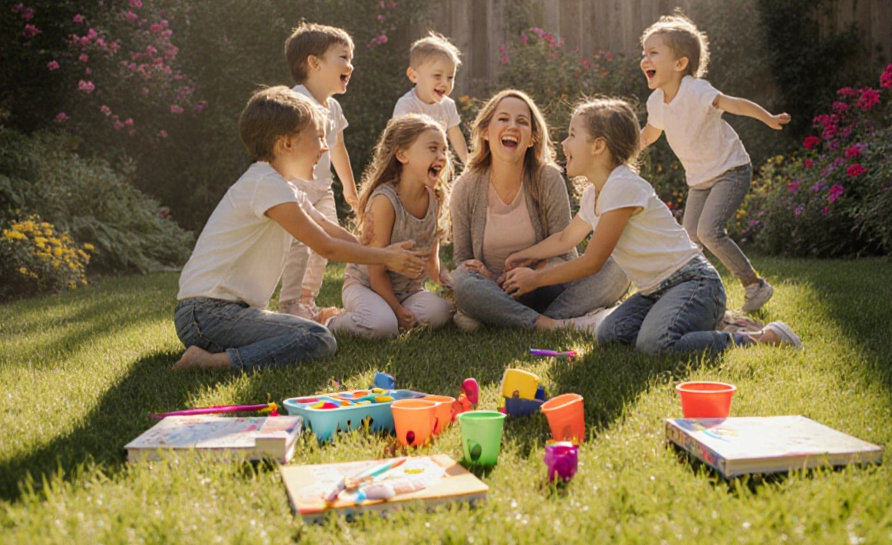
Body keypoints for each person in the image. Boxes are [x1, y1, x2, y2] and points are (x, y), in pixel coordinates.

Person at [501, 98, 802, 355]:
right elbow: (566, 238)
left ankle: (758, 338)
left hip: (694, 283)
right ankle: (698, 320)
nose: (563, 143)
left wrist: (535, 279)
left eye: (571, 135)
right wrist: (525, 256)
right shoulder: (595, 192)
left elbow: (592, 262)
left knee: (657, 344)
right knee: (609, 334)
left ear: (598, 146)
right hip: (654, 292)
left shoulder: (622, 186)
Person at [172, 87, 425, 370]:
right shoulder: (265, 184)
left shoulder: (283, 187)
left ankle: (218, 354)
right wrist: (386, 257)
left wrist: (366, 245)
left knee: (309, 333)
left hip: (217, 314)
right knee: (318, 339)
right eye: (317, 137)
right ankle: (211, 362)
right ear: (286, 144)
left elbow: (327, 228)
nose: (324, 147)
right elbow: (324, 246)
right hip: (207, 314)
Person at [638, 13, 791, 312]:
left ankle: (755, 286)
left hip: (730, 170)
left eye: (653, 53)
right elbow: (650, 134)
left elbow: (733, 103)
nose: (645, 59)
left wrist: (768, 118)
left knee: (709, 231)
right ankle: (702, 292)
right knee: (690, 238)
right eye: (643, 53)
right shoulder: (656, 102)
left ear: (680, 64)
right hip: (699, 180)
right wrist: (623, 151)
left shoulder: (695, 90)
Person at [450, 89, 629, 333]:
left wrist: (532, 273)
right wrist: (488, 277)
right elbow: (462, 259)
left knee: (620, 265)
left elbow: (565, 251)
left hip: (546, 287)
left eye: (522, 122)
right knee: (463, 282)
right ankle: (554, 322)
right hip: (493, 288)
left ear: (533, 138)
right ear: (485, 131)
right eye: (503, 119)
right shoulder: (466, 186)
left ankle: (518, 319)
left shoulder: (548, 178)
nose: (512, 126)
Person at [327, 114, 455, 338]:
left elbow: (431, 260)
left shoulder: (435, 198)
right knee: (383, 325)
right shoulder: (385, 201)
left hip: (408, 291)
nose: (442, 157)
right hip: (366, 286)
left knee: (441, 311)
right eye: (433, 148)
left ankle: (390, 316)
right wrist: (397, 310)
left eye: (444, 150)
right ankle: (329, 321)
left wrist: (448, 281)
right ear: (402, 154)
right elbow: (376, 270)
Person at [277, 23, 361, 321]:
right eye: (343, 57)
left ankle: (306, 301)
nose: (350, 65)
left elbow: (338, 149)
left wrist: (350, 189)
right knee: (299, 244)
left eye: (351, 58)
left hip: (323, 189)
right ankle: (289, 303)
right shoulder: (295, 103)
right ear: (314, 63)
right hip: (295, 188)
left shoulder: (334, 108)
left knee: (325, 247)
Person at [392, 32, 470, 164]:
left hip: (436, 165)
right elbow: (397, 141)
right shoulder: (407, 106)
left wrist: (467, 163)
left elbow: (455, 135)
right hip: (410, 167)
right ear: (413, 76)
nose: (445, 83)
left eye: (450, 77)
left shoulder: (448, 105)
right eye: (437, 76)